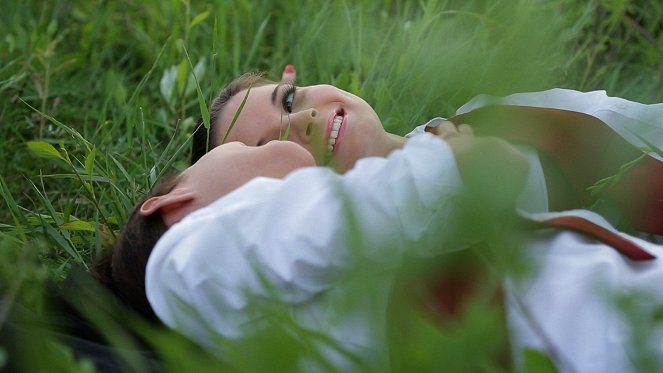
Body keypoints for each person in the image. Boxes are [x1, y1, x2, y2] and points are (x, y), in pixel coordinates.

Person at [179, 67, 663, 372]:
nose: (303, 121)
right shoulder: (345, 292)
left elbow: (641, 132)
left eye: (288, 99)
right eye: (271, 148)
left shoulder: (505, 119)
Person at [108, 120, 530, 370]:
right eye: (240, 146)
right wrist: (442, 164)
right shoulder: (180, 266)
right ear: (172, 204)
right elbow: (329, 219)